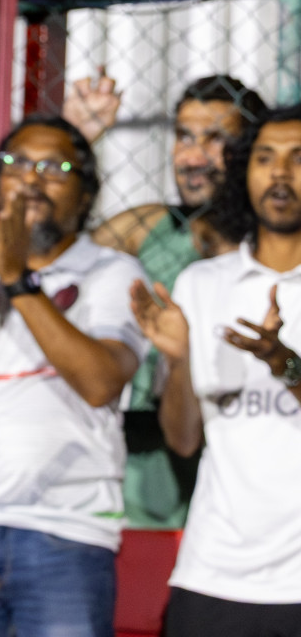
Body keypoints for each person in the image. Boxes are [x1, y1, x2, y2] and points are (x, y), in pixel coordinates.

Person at [0, 117, 148, 637]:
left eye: (53, 167)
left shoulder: (113, 273)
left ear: (85, 193)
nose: (31, 179)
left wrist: (19, 282)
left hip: (65, 533)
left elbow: (101, 382)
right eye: (17, 164)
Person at [65, 73, 268, 528]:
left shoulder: (275, 246)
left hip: (247, 440)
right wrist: (79, 140)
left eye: (215, 140)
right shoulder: (148, 226)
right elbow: (61, 261)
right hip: (145, 452)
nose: (192, 157)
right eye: (183, 137)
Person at [131, 106, 301, 636]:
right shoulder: (202, 284)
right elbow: (182, 439)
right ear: (243, 173)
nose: (280, 174)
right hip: (214, 574)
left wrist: (286, 365)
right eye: (265, 158)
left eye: (298, 159)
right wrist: (178, 360)